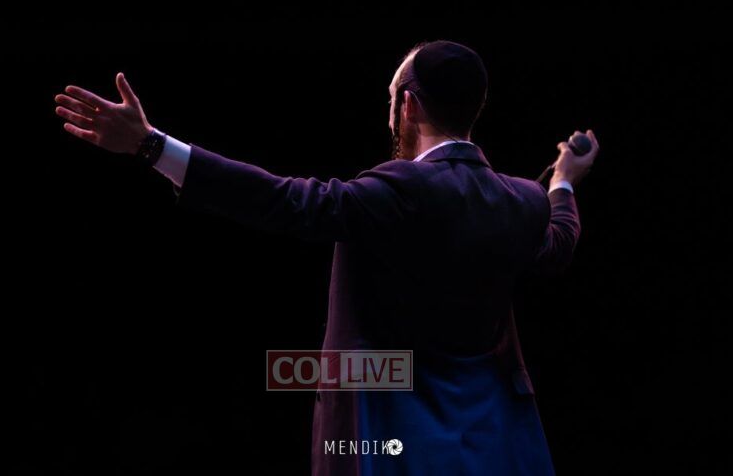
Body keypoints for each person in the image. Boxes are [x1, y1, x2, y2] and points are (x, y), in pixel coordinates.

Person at [54, 40, 599, 475]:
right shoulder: (522, 201)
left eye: (391, 99)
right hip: (488, 436)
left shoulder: (398, 189)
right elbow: (558, 242)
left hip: (392, 433)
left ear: (407, 106)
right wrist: (563, 182)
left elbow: (281, 200)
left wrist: (151, 145)